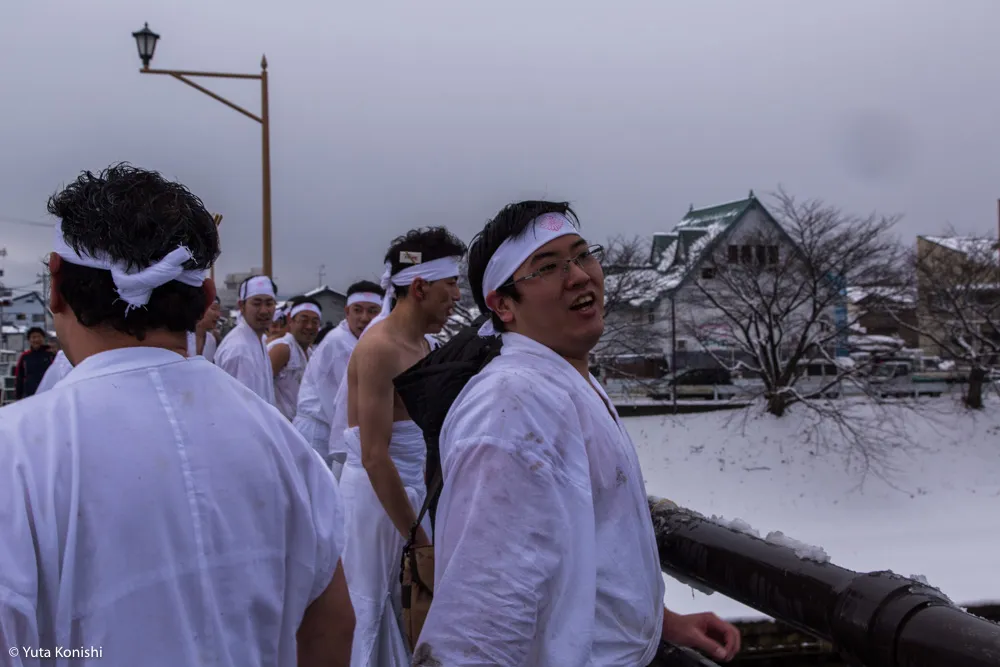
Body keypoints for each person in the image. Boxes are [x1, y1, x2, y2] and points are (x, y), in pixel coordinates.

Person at [0, 164, 354, 666]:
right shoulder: (283, 442)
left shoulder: (18, 450)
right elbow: (332, 625)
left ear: (55, 287)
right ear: (206, 298)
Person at [413, 202, 742, 665]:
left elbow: (586, 542)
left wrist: (663, 622)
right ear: (502, 304)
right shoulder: (514, 405)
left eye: (583, 255)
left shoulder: (563, 380)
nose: (580, 276)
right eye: (546, 267)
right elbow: (485, 609)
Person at [339, 227, 465, 667]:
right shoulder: (379, 348)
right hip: (380, 504)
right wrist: (417, 537)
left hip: (416, 497)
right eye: (450, 286)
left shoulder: (427, 345)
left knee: (415, 613)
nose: (456, 296)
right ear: (419, 287)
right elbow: (375, 455)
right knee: (377, 611)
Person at [294, 280, 384, 476]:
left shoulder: (362, 342)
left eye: (372, 311)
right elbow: (345, 402)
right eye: (357, 310)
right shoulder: (340, 344)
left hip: (330, 427)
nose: (364, 318)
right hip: (317, 431)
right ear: (347, 312)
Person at [214, 275, 278, 404]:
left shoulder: (257, 340)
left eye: (269, 303)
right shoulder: (239, 349)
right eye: (257, 303)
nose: (264, 311)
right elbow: (243, 408)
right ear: (241, 306)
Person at [268, 296, 322, 421]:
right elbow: (261, 387)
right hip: (278, 424)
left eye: (315, 322)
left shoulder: (310, 353)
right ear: (290, 321)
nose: (309, 326)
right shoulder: (282, 349)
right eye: (303, 320)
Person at [13, 326, 55, 400]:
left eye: (39, 337)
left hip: (48, 393)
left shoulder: (51, 355)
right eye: (33, 337)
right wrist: (18, 396)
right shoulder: (25, 356)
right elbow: (19, 377)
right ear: (29, 340)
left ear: (43, 338)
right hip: (29, 394)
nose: (36, 339)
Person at [187, 295, 221, 362]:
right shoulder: (182, 338)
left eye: (219, 310)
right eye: (213, 309)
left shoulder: (212, 340)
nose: (218, 315)